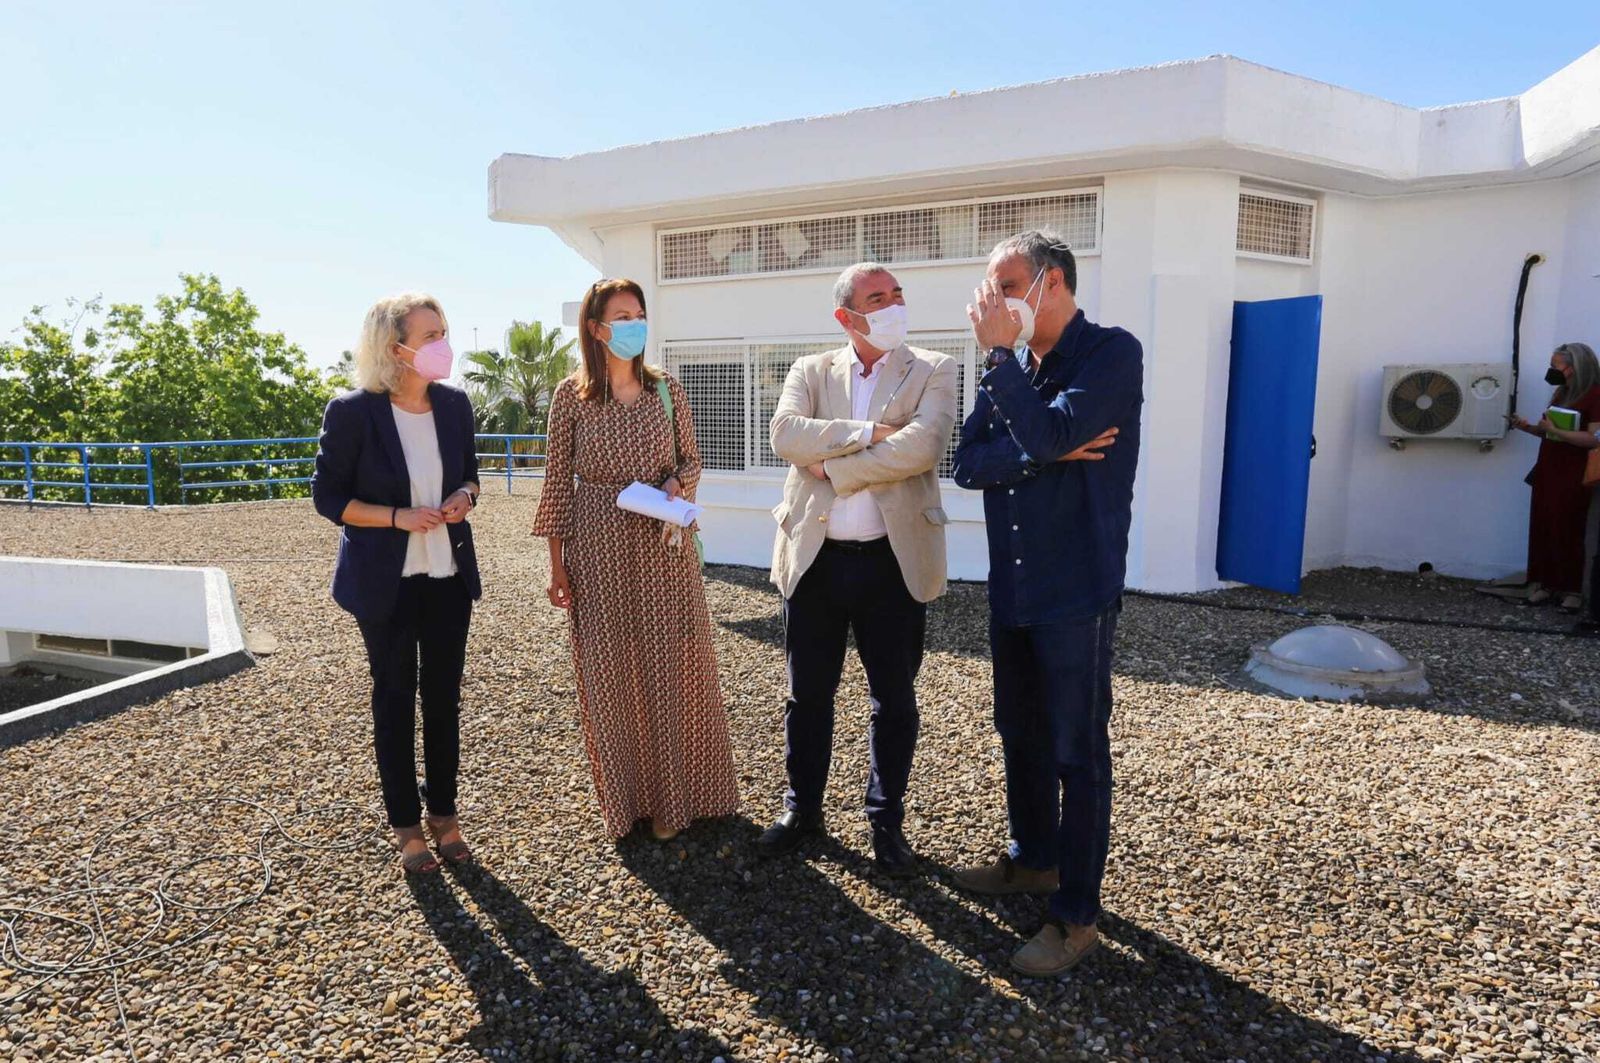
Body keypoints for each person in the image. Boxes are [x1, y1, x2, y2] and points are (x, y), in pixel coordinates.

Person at [950, 230, 1140, 977]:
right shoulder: (1018, 371)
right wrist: (1047, 450)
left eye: (1005, 286)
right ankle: (1034, 858)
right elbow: (966, 464)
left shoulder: (1110, 354)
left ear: (1052, 283)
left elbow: (1054, 425)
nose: (992, 304)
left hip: (1076, 589)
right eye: (990, 289)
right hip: (1016, 589)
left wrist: (1009, 378)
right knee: (1019, 732)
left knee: (1076, 751)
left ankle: (1076, 915)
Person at [756, 263, 957, 875]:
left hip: (893, 568)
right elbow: (786, 435)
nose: (895, 303)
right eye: (878, 297)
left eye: (897, 293)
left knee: (893, 700)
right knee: (806, 696)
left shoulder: (935, 368)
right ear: (846, 316)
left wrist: (835, 466)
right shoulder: (810, 370)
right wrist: (870, 431)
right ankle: (802, 810)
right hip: (814, 565)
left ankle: (885, 821)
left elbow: (921, 446)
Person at [532, 277, 738, 842]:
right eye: (622, 315)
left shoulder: (665, 389)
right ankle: (625, 801)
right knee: (610, 674)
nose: (634, 324)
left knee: (674, 668)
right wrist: (557, 567)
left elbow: (692, 461)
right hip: (597, 545)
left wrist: (674, 483)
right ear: (596, 329)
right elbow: (555, 487)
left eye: (639, 313)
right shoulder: (569, 397)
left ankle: (678, 801)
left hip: (662, 547)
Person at [312, 293, 482, 875]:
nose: (443, 345)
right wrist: (395, 517)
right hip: (386, 582)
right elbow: (328, 500)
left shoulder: (456, 406)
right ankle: (406, 826)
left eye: (444, 332)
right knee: (393, 698)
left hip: (447, 577)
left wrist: (464, 498)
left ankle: (445, 816)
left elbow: (471, 477)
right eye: (430, 335)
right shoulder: (353, 412)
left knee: (443, 699)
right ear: (395, 348)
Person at [1509, 342, 1600, 613]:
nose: (1551, 370)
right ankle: (1546, 584)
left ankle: (1572, 590)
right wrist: (1527, 427)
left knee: (1569, 528)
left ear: (1573, 368)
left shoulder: (1595, 395)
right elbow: (1550, 431)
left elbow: (1592, 439)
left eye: (1555, 365)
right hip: (1549, 467)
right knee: (1544, 525)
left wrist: (1556, 432)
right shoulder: (1562, 392)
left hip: (1573, 472)